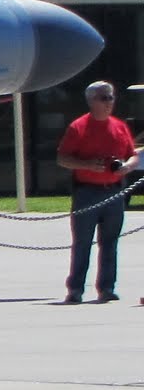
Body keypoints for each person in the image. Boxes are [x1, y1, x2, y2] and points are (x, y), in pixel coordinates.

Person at [56, 81, 138, 304]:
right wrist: (88, 165)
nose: (109, 102)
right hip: (87, 193)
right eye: (104, 98)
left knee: (110, 242)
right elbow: (62, 158)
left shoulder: (120, 126)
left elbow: (132, 154)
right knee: (82, 242)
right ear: (91, 101)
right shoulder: (78, 127)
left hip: (114, 192)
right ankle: (75, 289)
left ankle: (107, 288)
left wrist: (127, 166)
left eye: (111, 97)